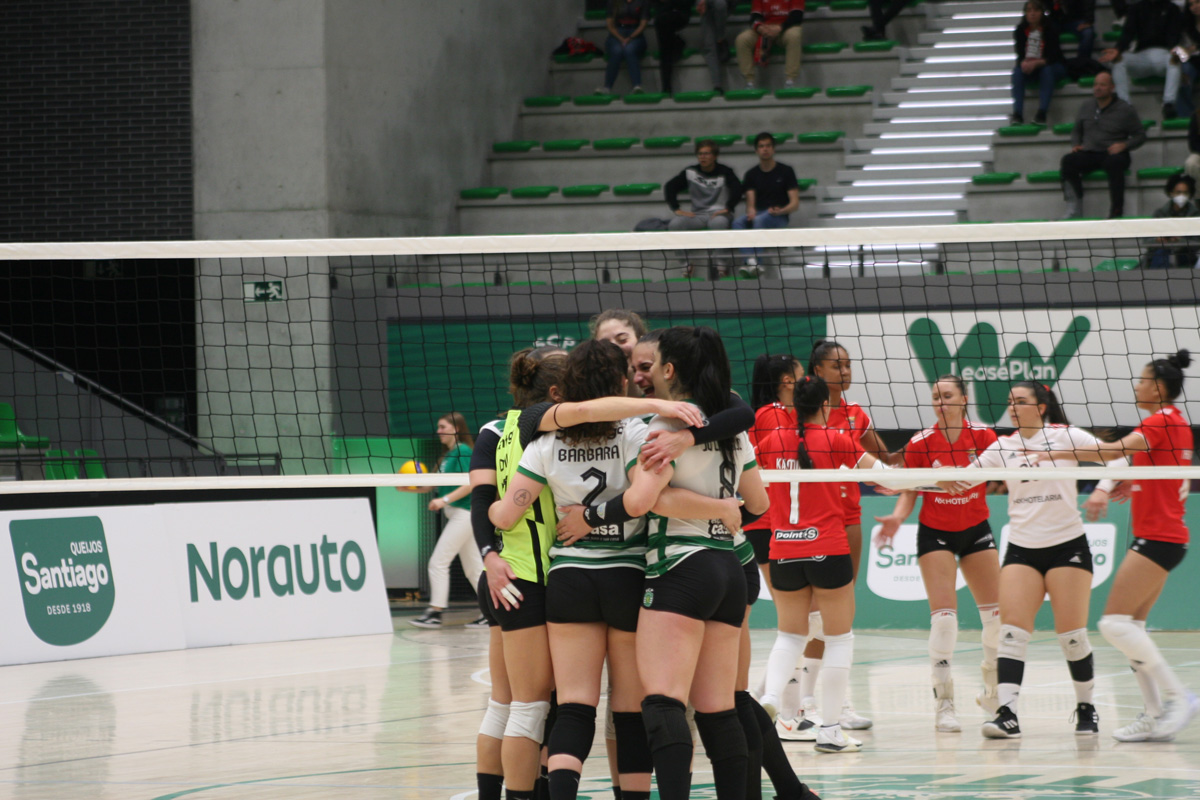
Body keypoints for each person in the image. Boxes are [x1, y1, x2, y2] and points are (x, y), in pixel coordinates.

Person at [489, 339, 735, 800]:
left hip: (570, 579)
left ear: (567, 389)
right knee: (628, 710)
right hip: (626, 575)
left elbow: (505, 516)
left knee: (574, 707)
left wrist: (492, 511)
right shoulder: (636, 434)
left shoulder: (544, 443)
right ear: (621, 383)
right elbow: (646, 498)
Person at [624, 326, 771, 800]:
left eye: (652, 365)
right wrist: (723, 510)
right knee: (718, 708)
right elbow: (760, 503)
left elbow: (649, 500)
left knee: (663, 701)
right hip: (729, 569)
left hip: (680, 566)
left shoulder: (663, 429)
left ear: (668, 370)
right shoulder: (731, 428)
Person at [757, 376, 928, 753]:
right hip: (827, 548)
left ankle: (770, 696)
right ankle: (831, 730)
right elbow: (887, 479)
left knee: (790, 636)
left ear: (794, 406)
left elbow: (749, 483)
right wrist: (935, 480)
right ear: (825, 406)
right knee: (838, 638)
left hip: (782, 548)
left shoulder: (770, 441)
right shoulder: (837, 440)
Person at [938, 382, 1105, 740]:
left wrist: (1102, 490)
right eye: (1010, 402)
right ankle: (1007, 714)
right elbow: (967, 477)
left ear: (1041, 407)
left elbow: (1116, 457)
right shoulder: (1003, 446)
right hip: (1023, 548)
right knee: (1011, 633)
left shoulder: (1065, 436)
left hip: (1067, 545)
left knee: (1072, 637)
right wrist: (929, 479)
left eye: (1021, 401)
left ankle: (1086, 708)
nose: (1012, 407)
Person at [1069, 351, 1198, 742]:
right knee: (1133, 628)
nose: (1136, 386)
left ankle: (1178, 697)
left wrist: (1055, 452)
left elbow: (1113, 452)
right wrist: (1132, 481)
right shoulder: (1177, 423)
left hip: (1158, 537)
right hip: (1166, 536)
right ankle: (1154, 714)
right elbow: (1147, 465)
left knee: (1113, 624)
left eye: (1142, 380)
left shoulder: (1159, 421)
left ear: (1158, 388)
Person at [778, 340, 897, 739]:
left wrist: (909, 471)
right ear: (816, 371)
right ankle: (804, 702)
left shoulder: (856, 415)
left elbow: (887, 461)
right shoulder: (792, 417)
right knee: (811, 617)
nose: (844, 371)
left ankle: (833, 703)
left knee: (837, 616)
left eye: (848, 365)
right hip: (810, 525)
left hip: (847, 518)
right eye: (836, 365)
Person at [872, 376, 1002, 732]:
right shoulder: (920, 442)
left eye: (947, 396)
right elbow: (910, 490)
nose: (940, 402)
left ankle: (994, 694)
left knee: (996, 619)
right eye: (935, 397)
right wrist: (898, 518)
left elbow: (1001, 474)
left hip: (976, 530)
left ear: (964, 399)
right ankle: (944, 704)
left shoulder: (985, 437)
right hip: (936, 534)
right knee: (944, 620)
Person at [411, 412, 486, 629]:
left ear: (456, 428)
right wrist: (406, 487)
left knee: (438, 562)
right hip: (458, 513)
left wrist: (444, 500)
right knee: (474, 569)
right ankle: (492, 612)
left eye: (443, 427)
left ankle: (435, 612)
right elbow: (433, 485)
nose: (439, 431)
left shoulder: (463, 452)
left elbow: (471, 483)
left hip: (465, 513)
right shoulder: (449, 455)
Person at [1060, 70, 1146, 219]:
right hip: (1090, 152)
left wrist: (1124, 145)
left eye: (1102, 85)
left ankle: (1116, 211)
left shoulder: (1125, 109)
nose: (1098, 88)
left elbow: (1140, 135)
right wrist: (1076, 144)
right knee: (1068, 161)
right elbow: (1076, 131)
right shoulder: (1086, 106)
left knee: (1115, 163)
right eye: (1095, 85)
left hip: (1113, 152)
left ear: (1112, 87)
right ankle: (1074, 207)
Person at [664, 139, 743, 277]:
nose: (703, 157)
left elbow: (738, 189)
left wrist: (729, 207)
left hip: (719, 214)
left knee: (718, 223)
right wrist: (676, 209)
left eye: (706, 154)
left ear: (715, 156)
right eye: (700, 154)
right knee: (675, 224)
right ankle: (686, 263)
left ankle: (721, 263)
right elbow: (670, 186)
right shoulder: (690, 172)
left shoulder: (725, 172)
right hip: (698, 215)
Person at [1098, 0, 1182, 118]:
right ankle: (1124, 105)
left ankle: (1168, 103)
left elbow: (1175, 35)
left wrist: (1174, 49)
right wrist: (1118, 49)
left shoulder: (1172, 9)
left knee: (1175, 60)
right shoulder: (1136, 8)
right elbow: (1128, 33)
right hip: (1141, 56)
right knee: (1119, 60)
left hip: (1164, 54)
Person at [732, 133, 801, 274]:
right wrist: (751, 211)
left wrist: (781, 211)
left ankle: (757, 263)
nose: (765, 149)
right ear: (756, 150)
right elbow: (750, 204)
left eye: (768, 146)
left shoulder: (786, 171)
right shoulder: (751, 174)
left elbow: (795, 204)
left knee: (759, 220)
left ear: (773, 149)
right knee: (737, 223)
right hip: (760, 213)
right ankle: (750, 260)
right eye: (761, 146)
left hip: (779, 216)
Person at [1010, 1, 1068, 125]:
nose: (1032, 14)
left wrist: (1037, 63)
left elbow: (1054, 56)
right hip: (1033, 67)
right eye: (1029, 11)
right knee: (1017, 72)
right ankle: (1017, 114)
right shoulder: (1020, 30)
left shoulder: (1050, 28)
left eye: (1036, 10)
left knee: (1047, 71)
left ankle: (1042, 113)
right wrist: (1024, 63)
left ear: (1042, 13)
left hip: (1053, 65)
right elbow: (1021, 55)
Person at [735, 0, 805, 89]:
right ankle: (749, 82)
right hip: (765, 28)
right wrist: (760, 28)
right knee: (742, 39)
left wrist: (780, 27)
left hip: (786, 28)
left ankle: (790, 80)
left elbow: (797, 16)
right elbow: (754, 17)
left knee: (794, 35)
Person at [1143, 173, 1200, 268]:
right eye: (1178, 192)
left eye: (1185, 193)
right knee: (1161, 253)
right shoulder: (1160, 214)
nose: (1181, 196)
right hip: (1160, 254)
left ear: (1190, 194)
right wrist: (1158, 240)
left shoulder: (1195, 215)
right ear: (1171, 192)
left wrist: (1179, 241)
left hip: (1186, 256)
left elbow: (1197, 242)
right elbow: (1146, 241)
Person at [600, 0, 650, 95]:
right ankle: (607, 87)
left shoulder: (643, 2)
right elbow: (610, 25)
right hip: (617, 32)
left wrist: (630, 37)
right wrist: (621, 38)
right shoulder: (614, 2)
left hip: (636, 33)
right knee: (617, 51)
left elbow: (643, 25)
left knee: (629, 50)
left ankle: (637, 86)